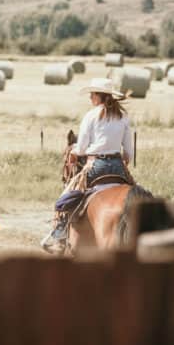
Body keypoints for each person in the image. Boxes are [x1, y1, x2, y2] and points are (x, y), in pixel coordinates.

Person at [41, 77, 134, 253]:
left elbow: (82, 147)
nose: (90, 97)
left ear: (99, 96)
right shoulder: (123, 116)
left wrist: (74, 152)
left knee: (65, 197)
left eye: (92, 94)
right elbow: (128, 151)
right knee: (133, 192)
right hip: (118, 166)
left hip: (96, 165)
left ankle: (59, 235)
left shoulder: (91, 116)